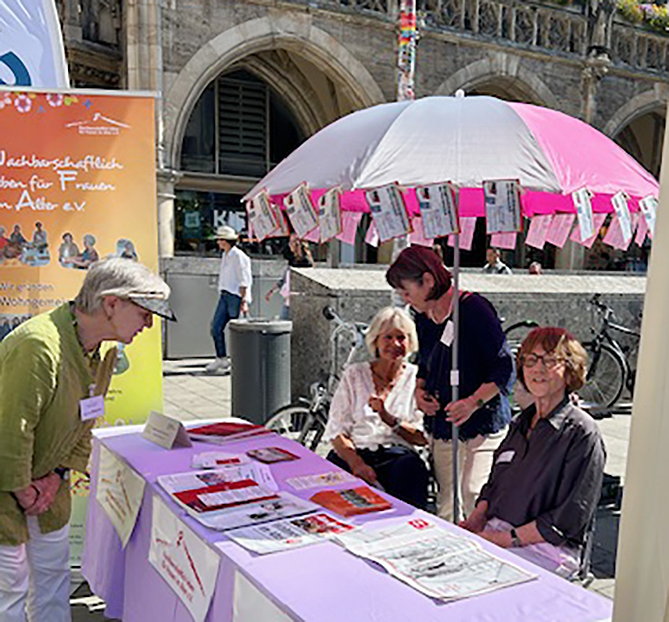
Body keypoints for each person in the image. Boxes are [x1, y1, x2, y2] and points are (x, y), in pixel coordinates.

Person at [0, 258, 175, 622]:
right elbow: (10, 432)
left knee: (53, 581)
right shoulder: (38, 345)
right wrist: (23, 490)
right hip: (8, 490)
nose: (149, 323)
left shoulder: (102, 352)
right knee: (9, 592)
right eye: (145, 312)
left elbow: (86, 424)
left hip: (48, 488)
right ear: (111, 303)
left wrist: (55, 477)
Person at [460, 327, 606, 578]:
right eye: (530, 360)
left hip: (545, 550)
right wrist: (475, 519)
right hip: (498, 535)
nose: (538, 369)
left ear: (570, 371)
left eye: (550, 360)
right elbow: (495, 484)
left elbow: (568, 517)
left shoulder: (582, 433)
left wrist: (506, 539)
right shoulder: (520, 424)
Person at [386, 246, 514, 521]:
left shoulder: (475, 309)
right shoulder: (422, 316)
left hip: (482, 421)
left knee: (473, 494)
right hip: (443, 425)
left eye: (407, 291)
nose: (405, 299)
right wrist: (420, 391)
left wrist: (472, 402)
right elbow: (425, 360)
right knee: (447, 503)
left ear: (428, 281)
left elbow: (504, 367)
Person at [323, 307, 429, 509]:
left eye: (401, 337)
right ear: (376, 341)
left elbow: (422, 437)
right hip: (354, 454)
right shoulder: (355, 374)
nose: (394, 344)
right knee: (333, 472)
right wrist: (357, 465)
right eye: (387, 337)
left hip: (397, 457)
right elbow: (337, 430)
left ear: (410, 342)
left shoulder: (417, 378)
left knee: (411, 470)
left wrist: (389, 419)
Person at [206, 226, 252, 374]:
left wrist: (244, 301)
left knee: (237, 331)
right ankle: (221, 358)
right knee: (216, 327)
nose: (218, 242)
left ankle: (239, 361)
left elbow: (244, 279)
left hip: (236, 296)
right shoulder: (226, 255)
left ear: (225, 241)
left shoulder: (239, 256)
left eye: (220, 239)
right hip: (225, 295)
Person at [265, 234, 314, 319]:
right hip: (288, 300)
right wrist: (272, 290)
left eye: (291, 242)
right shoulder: (292, 259)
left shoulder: (306, 262)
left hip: (297, 301)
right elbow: (285, 279)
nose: (289, 245)